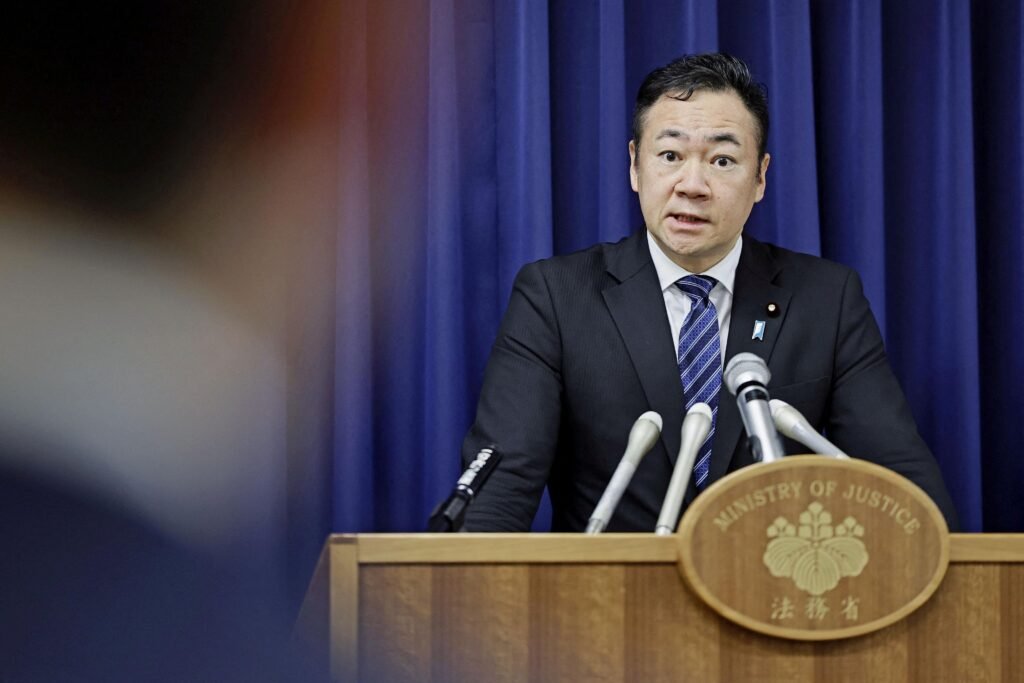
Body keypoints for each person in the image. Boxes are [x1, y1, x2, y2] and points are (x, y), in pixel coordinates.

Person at [460, 53, 958, 532]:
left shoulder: (826, 299)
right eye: (670, 155)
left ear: (760, 177)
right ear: (635, 165)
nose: (692, 185)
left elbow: (906, 490)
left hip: (767, 583)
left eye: (722, 160)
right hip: (612, 587)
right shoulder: (556, 297)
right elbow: (499, 492)